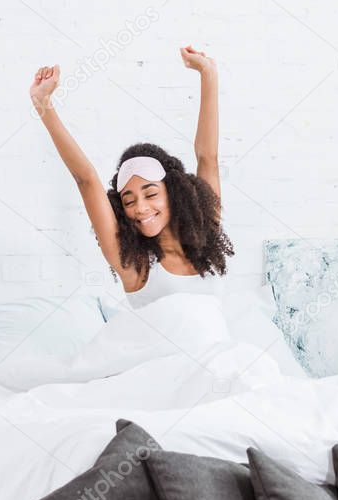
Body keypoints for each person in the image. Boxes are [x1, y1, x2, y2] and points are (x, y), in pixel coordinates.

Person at [29, 46, 233, 308]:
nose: (141, 208)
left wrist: (208, 73)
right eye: (129, 200)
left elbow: (208, 158)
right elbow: (86, 179)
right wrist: (43, 103)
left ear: (173, 193)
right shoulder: (136, 264)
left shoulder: (206, 235)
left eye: (151, 193)